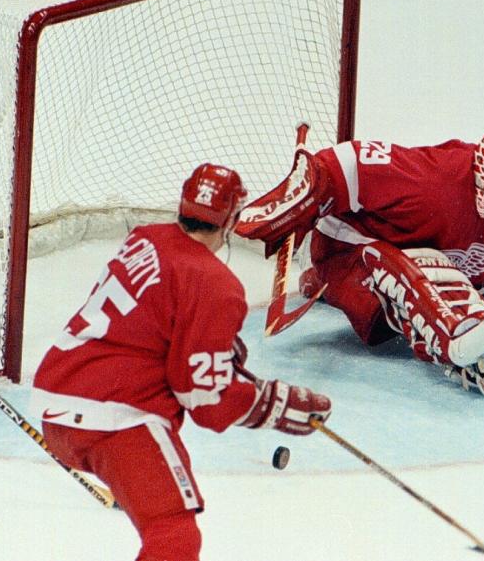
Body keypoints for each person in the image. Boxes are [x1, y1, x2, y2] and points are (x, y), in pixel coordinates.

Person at [31, 163, 332, 561]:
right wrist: (275, 404)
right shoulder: (216, 285)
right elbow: (205, 399)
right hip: (116, 418)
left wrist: (210, 343)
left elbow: (150, 320)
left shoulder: (144, 238)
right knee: (174, 539)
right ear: (233, 219)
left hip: (56, 406)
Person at [236, 124, 484, 401]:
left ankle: (473, 356)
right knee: (398, 264)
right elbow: (348, 163)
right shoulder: (437, 179)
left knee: (434, 272)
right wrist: (311, 188)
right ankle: (457, 335)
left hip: (408, 271)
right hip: (343, 251)